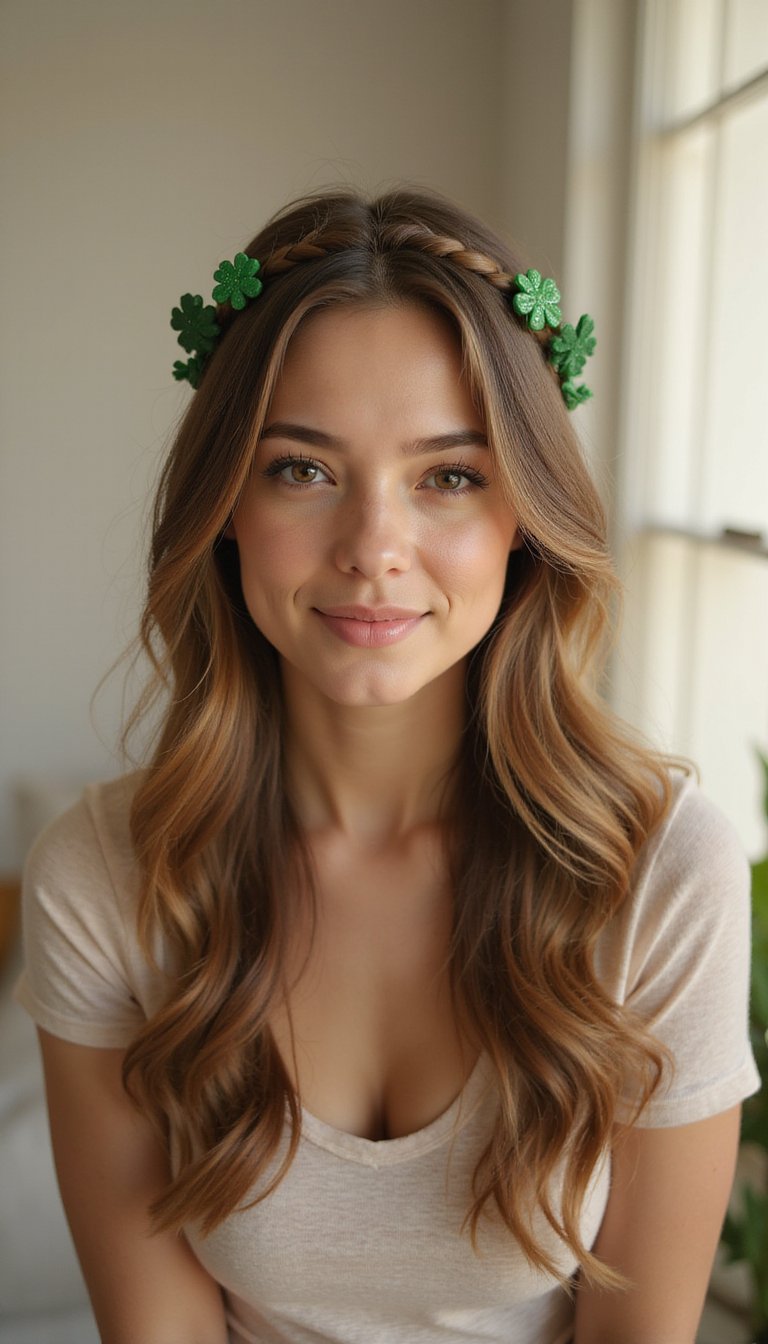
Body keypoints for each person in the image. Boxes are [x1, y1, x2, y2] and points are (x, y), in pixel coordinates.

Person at [14, 183, 760, 1344]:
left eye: (449, 476)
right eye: (301, 469)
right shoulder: (106, 879)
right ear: (224, 505)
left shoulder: (661, 872)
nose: (373, 550)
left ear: (522, 516)